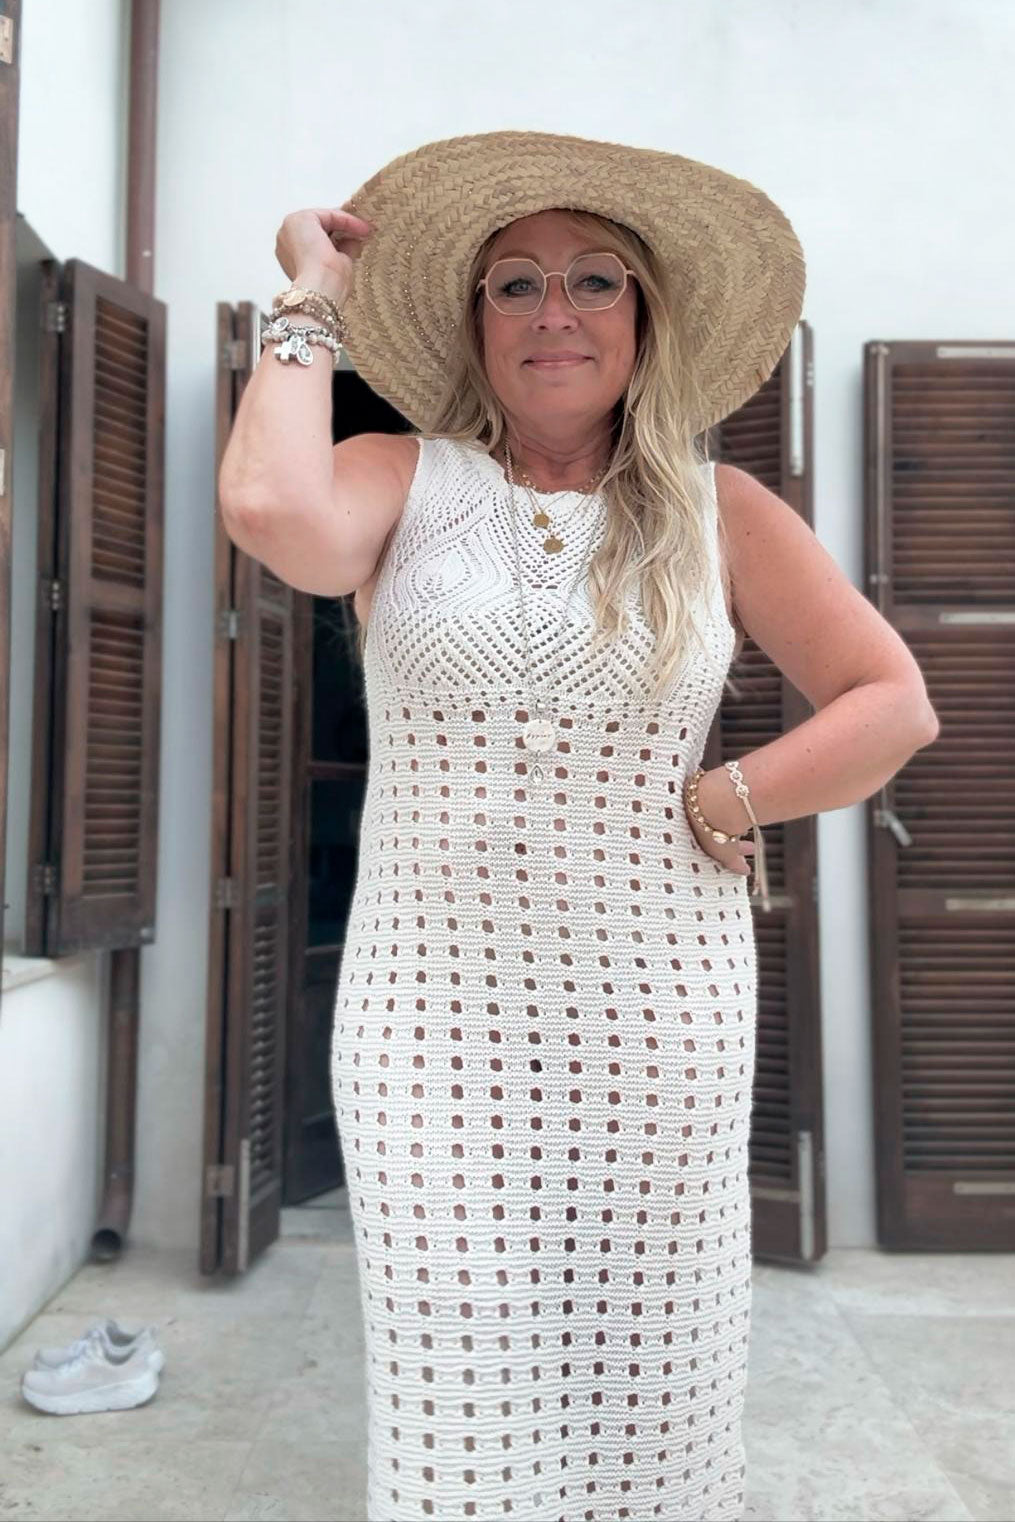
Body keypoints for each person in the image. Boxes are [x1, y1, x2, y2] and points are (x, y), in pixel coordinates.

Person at [219, 130, 938, 1522]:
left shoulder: (720, 511)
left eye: (596, 279)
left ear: (644, 319)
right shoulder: (398, 475)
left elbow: (891, 702)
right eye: (517, 284)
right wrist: (311, 291)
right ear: (477, 323)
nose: (556, 311)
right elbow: (267, 504)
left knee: (652, 1393)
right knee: (455, 1403)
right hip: (430, 1025)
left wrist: (729, 793)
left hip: (660, 1021)